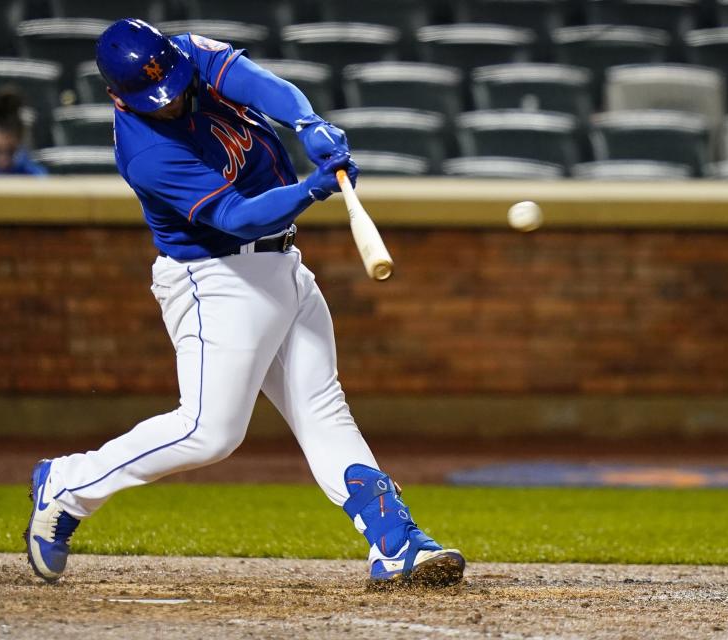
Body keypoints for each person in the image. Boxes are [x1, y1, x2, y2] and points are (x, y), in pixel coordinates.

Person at [23, 18, 465, 588]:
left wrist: (308, 121)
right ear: (119, 96)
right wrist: (311, 188)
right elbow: (233, 216)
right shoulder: (145, 153)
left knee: (322, 407)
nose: (175, 98)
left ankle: (395, 542)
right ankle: (68, 484)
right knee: (210, 431)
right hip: (216, 279)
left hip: (281, 263)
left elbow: (258, 83)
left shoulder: (181, 56)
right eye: (158, 97)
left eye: (177, 84)